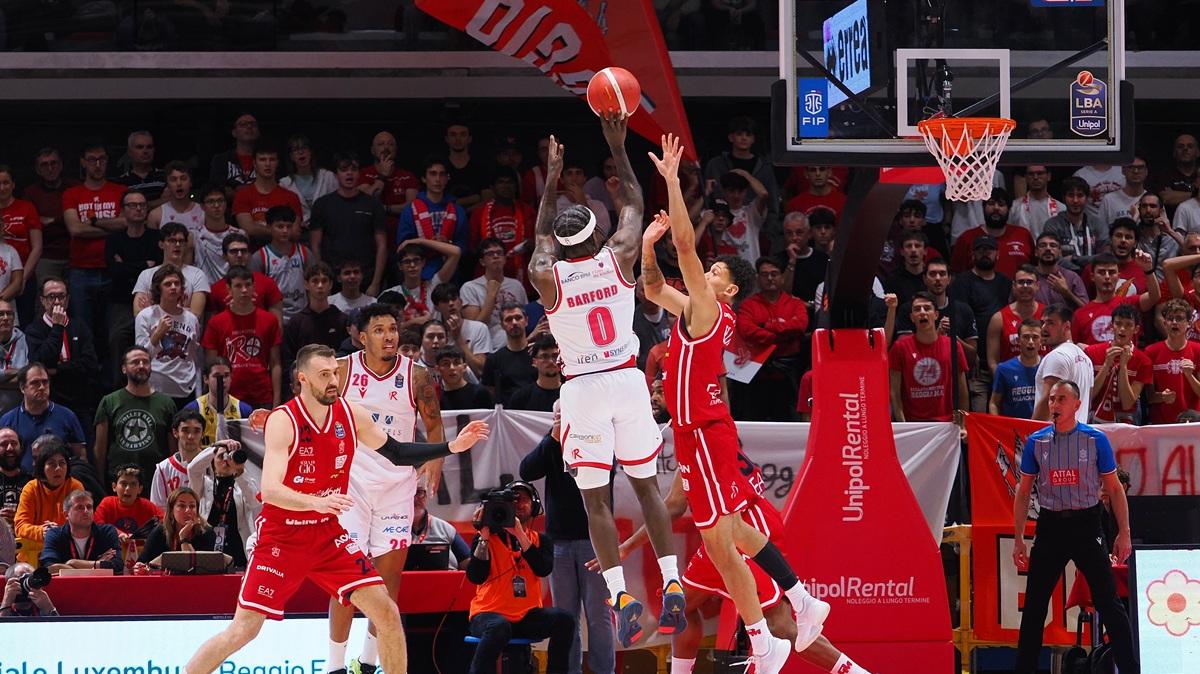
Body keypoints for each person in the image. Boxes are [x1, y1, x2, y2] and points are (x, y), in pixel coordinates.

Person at [181, 344, 489, 674]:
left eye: (336, 373)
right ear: (303, 379)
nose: (333, 380)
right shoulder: (284, 421)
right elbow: (270, 490)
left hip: (327, 535)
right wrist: (317, 501)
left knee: (386, 611)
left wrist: (450, 446)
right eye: (324, 375)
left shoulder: (350, 413)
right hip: (282, 539)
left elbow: (397, 451)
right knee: (244, 630)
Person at [641, 134, 828, 671]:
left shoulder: (707, 309)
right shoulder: (695, 310)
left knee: (722, 545)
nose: (708, 270)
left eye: (716, 272)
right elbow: (652, 288)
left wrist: (675, 183)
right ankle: (799, 600)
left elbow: (684, 244)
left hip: (703, 434)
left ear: (724, 292)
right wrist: (648, 246)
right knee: (727, 541)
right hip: (697, 434)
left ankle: (767, 642)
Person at [529, 119, 685, 648]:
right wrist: (617, 143)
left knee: (596, 500)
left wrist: (551, 178)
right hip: (627, 380)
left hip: (583, 392)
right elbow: (636, 201)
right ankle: (673, 583)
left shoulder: (546, 274)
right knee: (647, 488)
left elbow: (540, 232)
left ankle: (619, 595)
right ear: (595, 236)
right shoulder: (618, 256)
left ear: (558, 246)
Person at [327, 302, 446, 674]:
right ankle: (333, 667)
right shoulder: (342, 371)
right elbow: (312, 415)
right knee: (347, 575)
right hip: (353, 483)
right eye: (379, 330)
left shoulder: (418, 376)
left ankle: (367, 662)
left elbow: (435, 426)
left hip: (397, 484)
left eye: (392, 328)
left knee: (387, 578)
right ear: (362, 338)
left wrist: (435, 462)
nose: (389, 335)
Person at [1011, 380, 1139, 674]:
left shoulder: (1095, 440)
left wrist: (1124, 532)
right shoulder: (1037, 441)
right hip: (1051, 526)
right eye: (1052, 399)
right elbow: (1022, 491)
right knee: (1034, 607)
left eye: (1062, 399)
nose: (1055, 404)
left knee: (1109, 604)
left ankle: (1131, 668)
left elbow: (1116, 489)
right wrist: (1018, 537)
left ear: (1077, 406)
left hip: (1086, 524)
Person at [520, 400, 614, 674]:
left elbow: (610, 470)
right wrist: (553, 437)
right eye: (558, 414)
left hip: (594, 541)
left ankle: (603, 671)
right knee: (565, 616)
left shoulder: (599, 437)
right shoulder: (552, 444)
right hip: (558, 541)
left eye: (567, 412)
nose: (563, 418)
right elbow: (527, 471)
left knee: (599, 616)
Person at [466, 480, 574, 674]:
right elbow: (475, 576)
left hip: (527, 616)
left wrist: (519, 534)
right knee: (499, 627)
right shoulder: (485, 537)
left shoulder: (541, 540)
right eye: (513, 500)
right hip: (489, 614)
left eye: (524, 500)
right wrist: (483, 535)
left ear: (535, 507)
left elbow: (543, 569)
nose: (519, 504)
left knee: (564, 620)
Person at [62, 140, 127, 349]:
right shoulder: (72, 193)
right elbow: (75, 229)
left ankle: (111, 379)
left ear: (107, 162)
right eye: (92, 160)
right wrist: (110, 227)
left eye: (101, 159)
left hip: (113, 269)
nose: (97, 164)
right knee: (82, 330)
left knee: (112, 331)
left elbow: (126, 223)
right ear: (83, 162)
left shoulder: (120, 191)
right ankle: (86, 376)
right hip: (81, 270)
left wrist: (93, 223)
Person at [732, 257, 808, 421]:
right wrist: (782, 336)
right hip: (754, 373)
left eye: (774, 274)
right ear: (758, 278)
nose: (770, 278)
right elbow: (747, 331)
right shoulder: (748, 304)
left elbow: (800, 326)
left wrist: (767, 326)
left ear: (782, 276)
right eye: (764, 274)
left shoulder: (795, 304)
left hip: (789, 374)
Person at [202, 266, 284, 409]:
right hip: (228, 397)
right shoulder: (216, 323)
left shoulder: (269, 320)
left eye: (248, 285)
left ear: (254, 288)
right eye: (238, 286)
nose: (244, 290)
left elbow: (276, 363)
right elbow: (211, 365)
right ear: (229, 289)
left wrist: (277, 402)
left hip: (262, 395)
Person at [25, 277, 101, 428]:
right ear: (42, 300)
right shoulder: (34, 330)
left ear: (67, 299)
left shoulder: (79, 326)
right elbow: (41, 362)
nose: (57, 302)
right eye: (51, 297)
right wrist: (57, 328)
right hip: (49, 401)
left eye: (61, 296)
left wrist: (58, 370)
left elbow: (90, 365)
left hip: (80, 400)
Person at [94, 346, 177, 480]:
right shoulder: (109, 402)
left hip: (156, 481)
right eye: (135, 362)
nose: (141, 366)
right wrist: (100, 482)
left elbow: (174, 450)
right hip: (118, 483)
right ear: (124, 369)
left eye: (145, 362)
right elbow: (100, 450)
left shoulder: (166, 403)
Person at [310, 152, 387, 297]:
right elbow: (315, 245)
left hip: (366, 278)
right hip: (332, 279)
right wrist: (322, 278)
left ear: (359, 173)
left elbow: (382, 245)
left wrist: (376, 283)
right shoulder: (322, 205)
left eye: (353, 169)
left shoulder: (373, 205)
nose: (349, 174)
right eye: (344, 170)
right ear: (336, 174)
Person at [888, 292, 970, 422]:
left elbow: (962, 391)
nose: (922, 312)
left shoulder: (953, 346)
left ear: (936, 315)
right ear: (911, 317)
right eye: (917, 309)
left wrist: (963, 424)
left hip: (947, 424)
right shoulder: (900, 348)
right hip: (913, 425)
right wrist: (903, 425)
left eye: (927, 308)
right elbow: (894, 393)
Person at [106, 191, 163, 376]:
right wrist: (143, 264)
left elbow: (158, 268)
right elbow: (114, 271)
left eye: (142, 205)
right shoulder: (114, 239)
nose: (138, 208)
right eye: (132, 205)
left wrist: (126, 266)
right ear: (123, 210)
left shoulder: (156, 237)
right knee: (117, 338)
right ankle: (118, 385)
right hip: (122, 300)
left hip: (152, 299)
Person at [135, 264, 202, 408]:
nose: (173, 287)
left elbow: (193, 358)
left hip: (185, 390)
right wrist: (158, 334)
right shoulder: (145, 316)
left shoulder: (191, 319)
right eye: (167, 284)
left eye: (177, 283)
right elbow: (140, 358)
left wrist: (198, 392)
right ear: (159, 288)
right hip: (155, 390)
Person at [186, 438, 259, 569]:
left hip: (237, 549)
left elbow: (255, 502)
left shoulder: (243, 483)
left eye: (229, 456)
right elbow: (192, 469)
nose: (226, 460)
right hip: (207, 547)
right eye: (221, 456)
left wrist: (240, 471)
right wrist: (216, 447)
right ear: (212, 461)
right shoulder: (204, 483)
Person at [0, 363, 86, 472]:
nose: (41, 387)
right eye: (35, 383)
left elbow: (81, 459)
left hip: (60, 485)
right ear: (22, 388)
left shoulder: (67, 416)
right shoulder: (7, 421)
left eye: (45, 382)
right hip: (21, 485)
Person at [396, 157, 468, 282]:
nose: (438, 179)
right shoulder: (410, 210)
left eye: (442, 174)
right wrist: (429, 244)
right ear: (424, 178)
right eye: (433, 174)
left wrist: (447, 244)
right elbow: (404, 247)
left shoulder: (457, 210)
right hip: (420, 276)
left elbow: (464, 246)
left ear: (447, 178)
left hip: (451, 276)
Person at [13, 442, 84, 564]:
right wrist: (42, 531)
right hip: (31, 559)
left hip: (66, 557)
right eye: (51, 464)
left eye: (62, 463)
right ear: (42, 467)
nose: (58, 468)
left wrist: (56, 532)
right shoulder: (31, 488)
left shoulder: (75, 487)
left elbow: (81, 523)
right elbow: (20, 525)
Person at [1072, 252, 1159, 346]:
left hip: (1127, 359)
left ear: (1118, 277)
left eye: (1111, 272)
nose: (1107, 277)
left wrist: (1148, 270)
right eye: (1101, 272)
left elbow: (1154, 296)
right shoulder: (1080, 314)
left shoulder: (1129, 304)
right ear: (1092, 277)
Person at [1084, 305, 1151, 424]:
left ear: (1136, 329)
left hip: (1126, 420)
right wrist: (1106, 365)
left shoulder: (1144, 361)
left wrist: (1123, 367)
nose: (1122, 329)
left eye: (1128, 325)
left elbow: (1127, 403)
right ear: (1111, 326)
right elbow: (1089, 396)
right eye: (1118, 324)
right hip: (1094, 416)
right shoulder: (1092, 352)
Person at [469, 167, 535, 285]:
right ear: (492, 187)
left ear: (516, 186)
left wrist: (532, 244)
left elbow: (539, 244)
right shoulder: (479, 213)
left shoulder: (528, 211)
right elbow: (472, 248)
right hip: (487, 279)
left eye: (509, 182)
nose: (506, 186)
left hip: (522, 278)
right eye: (501, 182)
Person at [132, 222, 211, 320]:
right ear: (161, 244)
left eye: (181, 241)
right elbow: (138, 313)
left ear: (185, 244)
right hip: (152, 333)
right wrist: (181, 311)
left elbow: (195, 315)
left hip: (185, 332)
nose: (177, 245)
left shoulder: (197, 274)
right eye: (172, 240)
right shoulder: (146, 274)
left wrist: (152, 310)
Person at [462, 237, 529, 350]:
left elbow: (525, 320)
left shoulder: (516, 285)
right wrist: (491, 295)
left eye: (499, 253)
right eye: (490, 254)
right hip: (487, 348)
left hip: (516, 345)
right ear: (482, 261)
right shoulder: (470, 288)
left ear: (504, 258)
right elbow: (475, 328)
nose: (496, 256)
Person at [283, 262, 349, 376]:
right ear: (306, 284)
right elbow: (289, 360)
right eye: (315, 281)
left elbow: (347, 355)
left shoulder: (342, 320)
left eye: (324, 281)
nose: (320, 285)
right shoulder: (296, 323)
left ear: (330, 284)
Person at [951, 188, 1033, 278]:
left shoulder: (1023, 235)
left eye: (1001, 204)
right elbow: (956, 275)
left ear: (1009, 209)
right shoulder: (966, 238)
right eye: (991, 203)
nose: (996, 208)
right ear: (983, 207)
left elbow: (1034, 268)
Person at [1032, 305, 1095, 423]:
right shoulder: (1086, 359)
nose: (1044, 328)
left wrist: (1030, 432)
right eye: (1043, 323)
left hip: (1054, 436)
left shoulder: (1058, 356)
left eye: (1050, 323)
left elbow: (1048, 401)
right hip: (1077, 435)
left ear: (1066, 326)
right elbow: (1089, 401)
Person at [251, 205, 313, 322]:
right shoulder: (260, 257)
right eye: (280, 226)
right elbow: (256, 293)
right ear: (269, 227)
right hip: (275, 317)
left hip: (303, 316)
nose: (285, 231)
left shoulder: (305, 253)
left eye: (288, 226)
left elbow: (313, 286)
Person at [207, 232, 285, 324]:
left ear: (249, 255)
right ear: (224, 256)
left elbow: (277, 325)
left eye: (243, 251)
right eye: (234, 251)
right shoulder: (215, 289)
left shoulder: (267, 283)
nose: (239, 255)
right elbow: (212, 326)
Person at [1144, 298, 1200, 425]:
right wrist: (1162, 397)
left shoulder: (1198, 350)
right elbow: (1149, 397)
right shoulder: (1151, 352)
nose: (1174, 322)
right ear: (1164, 323)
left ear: (1189, 323)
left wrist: (1190, 376)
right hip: (1161, 424)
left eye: (1179, 318)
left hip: (1193, 422)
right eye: (1170, 318)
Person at [232, 143, 303, 242]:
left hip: (284, 254)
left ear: (277, 163)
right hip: (252, 254)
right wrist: (281, 232)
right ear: (254, 163)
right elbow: (249, 228)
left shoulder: (291, 197)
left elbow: (294, 233)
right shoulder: (243, 195)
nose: (267, 164)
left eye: (272, 159)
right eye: (262, 159)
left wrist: (261, 228)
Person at [39, 489, 123, 574]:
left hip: (100, 586)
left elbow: (117, 566)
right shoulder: (54, 534)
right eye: (79, 507)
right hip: (67, 586)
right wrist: (95, 564)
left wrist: (72, 563)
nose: (86, 511)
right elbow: (49, 567)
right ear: (65, 514)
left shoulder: (107, 532)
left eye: (89, 507)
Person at [384, 238, 462, 328]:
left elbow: (456, 252)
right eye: (407, 262)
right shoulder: (391, 295)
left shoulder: (434, 286)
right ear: (400, 266)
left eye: (416, 260)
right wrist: (412, 323)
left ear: (423, 262)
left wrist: (420, 241)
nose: (412, 265)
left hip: (435, 338)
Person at [184, 357, 255, 446]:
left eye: (226, 375)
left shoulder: (244, 410)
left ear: (231, 378)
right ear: (206, 379)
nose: (222, 380)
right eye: (217, 376)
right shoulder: (193, 409)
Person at [137, 486, 216, 565]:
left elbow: (196, 567)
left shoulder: (206, 533)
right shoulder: (159, 532)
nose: (188, 510)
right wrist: (141, 567)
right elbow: (142, 563)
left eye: (192, 506)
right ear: (171, 511)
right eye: (182, 506)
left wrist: (184, 539)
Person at [279, 135, 338, 231]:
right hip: (299, 233)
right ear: (291, 157)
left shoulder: (327, 177)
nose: (301, 152)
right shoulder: (285, 184)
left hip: (327, 230)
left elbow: (337, 205)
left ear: (310, 152)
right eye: (296, 150)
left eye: (304, 148)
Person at [481, 304, 536, 406]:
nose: (514, 322)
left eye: (518, 318)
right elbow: (490, 393)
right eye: (509, 319)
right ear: (502, 325)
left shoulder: (538, 355)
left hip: (537, 412)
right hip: (508, 417)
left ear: (526, 321)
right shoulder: (494, 360)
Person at [409, 480, 470, 570]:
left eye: (419, 493)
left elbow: (468, 564)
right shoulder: (391, 530)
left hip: (446, 582)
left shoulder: (445, 528)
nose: (415, 499)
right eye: (409, 494)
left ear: (426, 497)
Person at [990, 319, 1044, 419]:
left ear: (1041, 341)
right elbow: (994, 403)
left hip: (1042, 430)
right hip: (1013, 430)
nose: (1031, 342)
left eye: (1035, 337)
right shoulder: (1004, 369)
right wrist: (998, 426)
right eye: (1026, 337)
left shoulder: (1048, 366)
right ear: (1018, 340)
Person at [95, 464, 161, 540]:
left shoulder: (147, 506)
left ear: (140, 489)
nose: (128, 488)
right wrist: (118, 533)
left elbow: (165, 522)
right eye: (123, 484)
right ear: (114, 487)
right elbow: (97, 525)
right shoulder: (107, 503)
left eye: (133, 484)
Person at [777, 211, 828, 302]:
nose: (794, 238)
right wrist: (792, 261)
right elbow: (780, 295)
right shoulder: (777, 260)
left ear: (809, 234)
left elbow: (828, 295)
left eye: (799, 232)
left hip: (815, 312)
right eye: (789, 233)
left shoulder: (823, 259)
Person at [1031, 232, 1088, 309]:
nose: (1048, 248)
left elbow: (1087, 311)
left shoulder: (1072, 277)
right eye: (1043, 245)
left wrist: (1067, 293)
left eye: (1053, 245)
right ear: (1036, 252)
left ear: (1060, 252)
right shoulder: (1027, 276)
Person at [507, 335, 562, 412]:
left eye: (555, 356)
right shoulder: (520, 398)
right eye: (544, 356)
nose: (551, 361)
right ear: (534, 362)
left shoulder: (571, 395)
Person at [1007, 165, 1064, 238]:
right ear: (1026, 177)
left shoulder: (1061, 208)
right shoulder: (1015, 206)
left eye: (1040, 173)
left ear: (1048, 176)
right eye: (1031, 174)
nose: (1035, 177)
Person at [208, 113, 260, 193]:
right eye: (243, 124)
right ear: (234, 132)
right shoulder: (221, 160)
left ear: (258, 132)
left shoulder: (268, 159)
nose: (249, 127)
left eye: (253, 124)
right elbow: (216, 190)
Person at [436, 346, 494, 410]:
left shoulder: (480, 393)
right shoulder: (437, 399)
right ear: (438, 369)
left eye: (456, 363)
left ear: (464, 367)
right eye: (446, 364)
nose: (452, 368)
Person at [119, 131, 166, 205]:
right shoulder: (121, 182)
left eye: (149, 147)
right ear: (130, 152)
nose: (145, 151)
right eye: (140, 147)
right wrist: (159, 202)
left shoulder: (165, 177)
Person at [0, 429, 32, 528]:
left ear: (21, 447)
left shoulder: (32, 482)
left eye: (13, 443)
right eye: (4, 444)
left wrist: (20, 518)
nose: (10, 448)